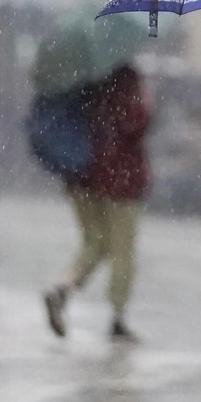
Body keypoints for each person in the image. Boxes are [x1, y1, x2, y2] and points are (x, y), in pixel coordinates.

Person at [43, 64, 151, 341]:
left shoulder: (83, 79)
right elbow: (133, 124)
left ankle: (62, 289)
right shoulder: (122, 78)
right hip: (120, 179)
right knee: (122, 250)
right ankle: (117, 317)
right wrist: (146, 103)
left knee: (96, 241)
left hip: (85, 177)